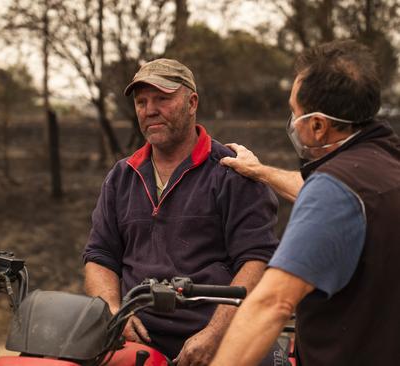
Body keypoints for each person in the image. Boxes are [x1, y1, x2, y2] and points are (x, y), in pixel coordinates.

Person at [212, 40, 400, 365]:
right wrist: (260, 172)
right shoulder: (385, 164)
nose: (292, 122)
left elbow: (272, 304)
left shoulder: (335, 189)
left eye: (294, 112)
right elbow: (337, 202)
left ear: (317, 125)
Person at [82, 58, 279, 365]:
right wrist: (112, 310)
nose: (150, 110)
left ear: (192, 102)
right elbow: (99, 257)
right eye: (142, 101)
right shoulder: (122, 176)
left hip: (219, 332)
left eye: (162, 98)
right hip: (139, 335)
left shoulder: (232, 172)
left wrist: (215, 334)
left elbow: (257, 261)